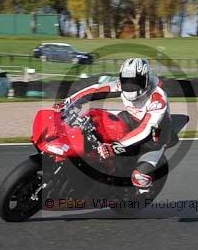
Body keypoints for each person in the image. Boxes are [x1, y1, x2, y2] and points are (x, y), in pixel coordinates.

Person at [62, 58, 171, 193]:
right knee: (93, 116)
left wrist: (115, 147)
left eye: (136, 83)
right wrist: (70, 101)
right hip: (131, 118)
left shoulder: (157, 98)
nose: (131, 86)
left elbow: (145, 129)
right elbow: (98, 89)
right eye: (127, 82)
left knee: (139, 178)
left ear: (147, 80)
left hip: (154, 135)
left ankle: (141, 191)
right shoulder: (123, 83)